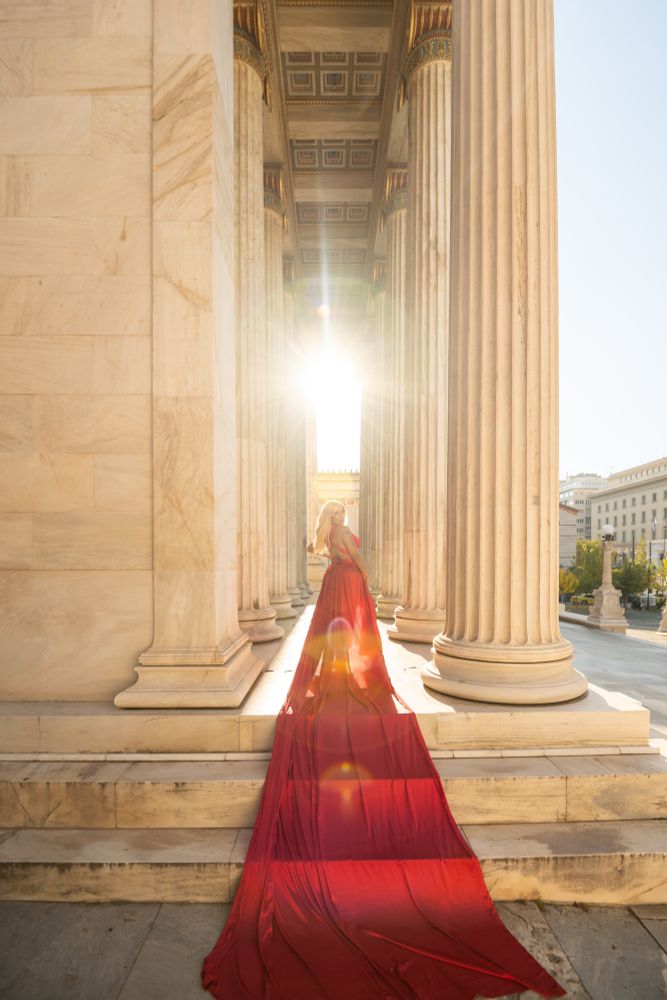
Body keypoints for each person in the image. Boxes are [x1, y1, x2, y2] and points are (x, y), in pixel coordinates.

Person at [202, 500, 567, 999]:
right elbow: (358, 561)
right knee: (355, 636)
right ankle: (350, 679)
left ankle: (332, 679)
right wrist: (370, 587)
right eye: (342, 509)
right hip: (349, 585)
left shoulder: (324, 535)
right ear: (340, 513)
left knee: (333, 640)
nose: (344, 512)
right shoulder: (346, 534)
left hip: (333, 586)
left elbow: (328, 553)